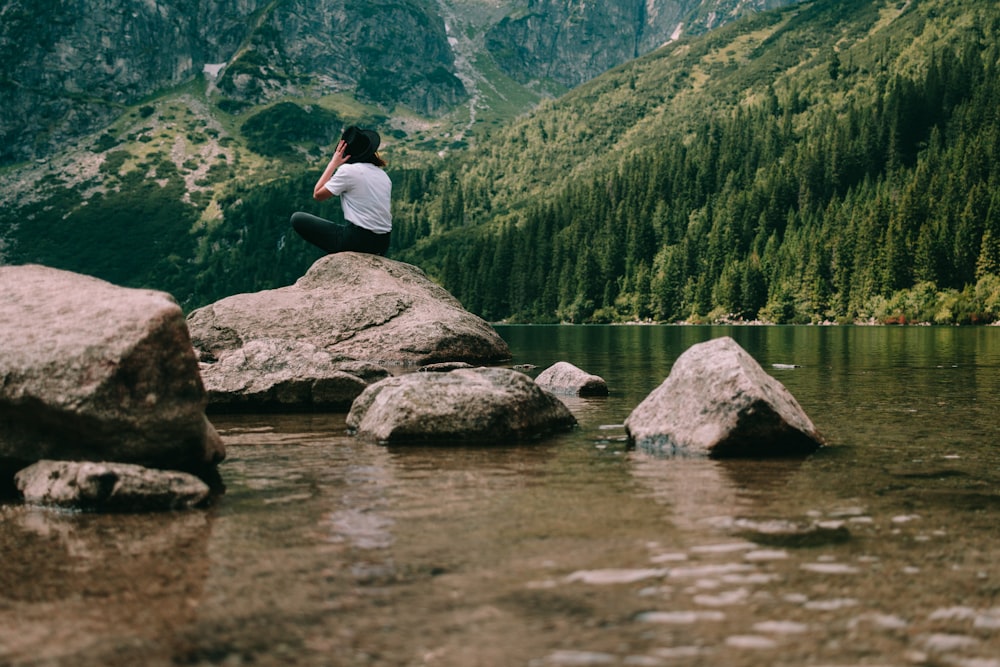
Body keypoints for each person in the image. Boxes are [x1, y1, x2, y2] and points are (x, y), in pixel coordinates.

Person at [290, 126, 392, 256]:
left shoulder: (348, 171)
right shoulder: (383, 175)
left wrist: (334, 162)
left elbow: (318, 194)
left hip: (358, 241)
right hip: (382, 243)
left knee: (297, 218)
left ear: (346, 153)